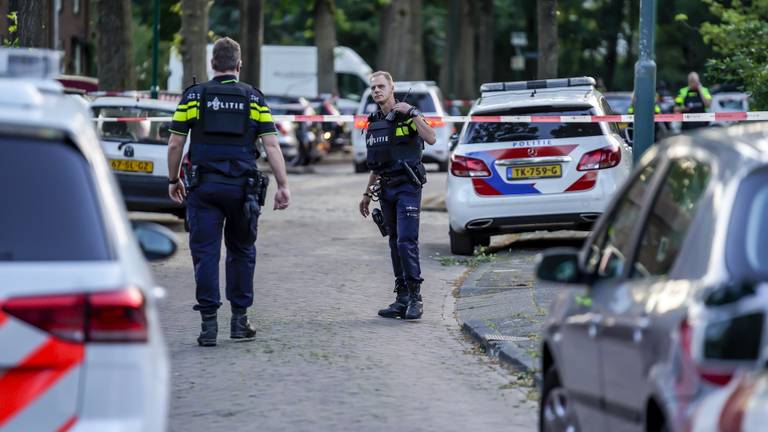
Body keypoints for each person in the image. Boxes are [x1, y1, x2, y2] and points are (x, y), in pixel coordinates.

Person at [166, 37, 291, 346]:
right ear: (238, 65)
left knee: (205, 253)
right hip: (242, 190)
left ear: (212, 64)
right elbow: (271, 144)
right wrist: (283, 185)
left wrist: (173, 180)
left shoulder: (194, 97)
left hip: (204, 187)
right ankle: (239, 321)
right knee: (242, 251)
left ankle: (209, 325)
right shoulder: (254, 99)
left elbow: (175, 143)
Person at [358, 71, 436, 320]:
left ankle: (416, 298)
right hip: (387, 188)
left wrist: (413, 112)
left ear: (392, 88)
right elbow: (376, 164)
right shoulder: (375, 121)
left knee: (406, 241)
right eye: (373, 88)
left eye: (381, 86)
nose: (377, 91)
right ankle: (402, 299)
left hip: (408, 187)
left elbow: (431, 138)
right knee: (394, 241)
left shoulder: (408, 114)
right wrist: (367, 195)